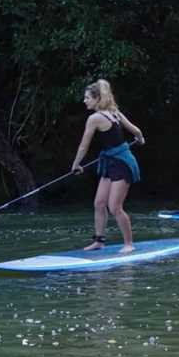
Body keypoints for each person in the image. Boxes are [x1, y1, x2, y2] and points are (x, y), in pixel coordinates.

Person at [71, 79, 145, 253]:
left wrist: (75, 165)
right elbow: (137, 132)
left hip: (122, 163)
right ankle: (99, 241)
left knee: (114, 207)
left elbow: (84, 145)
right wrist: (140, 140)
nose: (84, 100)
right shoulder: (114, 112)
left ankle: (129, 244)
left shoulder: (95, 118)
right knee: (99, 203)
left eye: (87, 97)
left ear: (97, 99)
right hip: (110, 163)